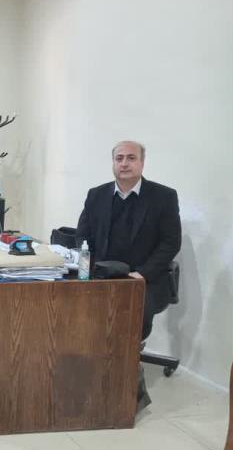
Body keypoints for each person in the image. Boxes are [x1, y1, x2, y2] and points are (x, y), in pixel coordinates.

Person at [76, 140, 182, 410]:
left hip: (145, 277)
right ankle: (89, 373)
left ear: (142, 163)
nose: (124, 163)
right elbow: (83, 236)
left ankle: (128, 390)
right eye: (119, 158)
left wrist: (142, 273)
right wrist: (90, 267)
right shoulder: (96, 195)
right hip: (103, 273)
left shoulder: (163, 197)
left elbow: (171, 243)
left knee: (134, 315)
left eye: (131, 158)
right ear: (113, 163)